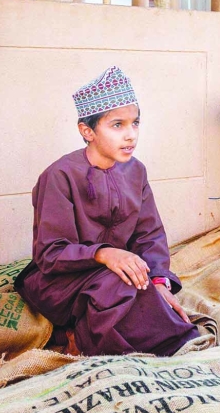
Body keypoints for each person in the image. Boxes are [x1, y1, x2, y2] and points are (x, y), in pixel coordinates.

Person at [15, 66, 199, 357]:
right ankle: (118, 350)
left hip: (117, 271)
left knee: (142, 286)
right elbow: (50, 254)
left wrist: (160, 282)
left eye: (135, 123)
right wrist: (104, 254)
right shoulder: (59, 176)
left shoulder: (135, 171)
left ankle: (172, 343)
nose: (130, 135)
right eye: (117, 125)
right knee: (122, 284)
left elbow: (149, 234)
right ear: (87, 131)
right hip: (58, 280)